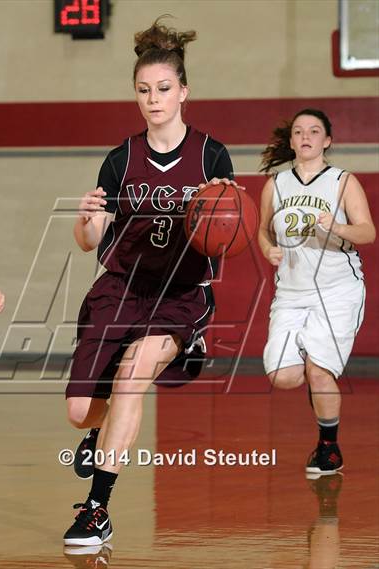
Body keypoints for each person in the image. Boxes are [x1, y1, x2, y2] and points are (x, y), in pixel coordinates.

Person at [63, 18, 235, 546]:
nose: (153, 99)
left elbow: (227, 233)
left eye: (163, 89)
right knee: (79, 412)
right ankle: (97, 431)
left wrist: (224, 209)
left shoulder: (211, 156)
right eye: (143, 91)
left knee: (133, 375)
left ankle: (97, 510)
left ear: (184, 91)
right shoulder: (120, 160)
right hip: (120, 292)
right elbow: (89, 240)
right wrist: (87, 218)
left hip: (178, 297)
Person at [258, 109, 376, 476]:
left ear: (327, 141)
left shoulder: (343, 182)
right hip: (292, 292)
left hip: (337, 290)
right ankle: (316, 367)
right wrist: (267, 249)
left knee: (320, 372)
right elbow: (264, 231)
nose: (305, 136)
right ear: (291, 141)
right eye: (298, 131)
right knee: (282, 374)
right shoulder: (275, 185)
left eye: (314, 131)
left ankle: (329, 448)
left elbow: (368, 233)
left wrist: (338, 226)